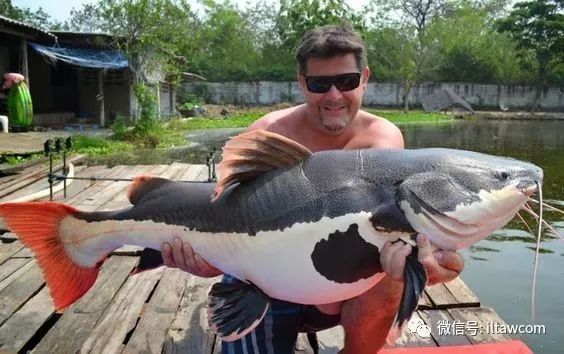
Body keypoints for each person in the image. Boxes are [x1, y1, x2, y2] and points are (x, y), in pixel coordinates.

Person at [161, 25, 464, 353]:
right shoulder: (267, 133)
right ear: (302, 83)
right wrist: (208, 259)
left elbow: (394, 231)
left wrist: (421, 263)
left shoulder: (382, 140)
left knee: (388, 277)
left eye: (346, 81)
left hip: (338, 293)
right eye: (320, 84)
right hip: (263, 278)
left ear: (364, 78)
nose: (334, 96)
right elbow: (229, 213)